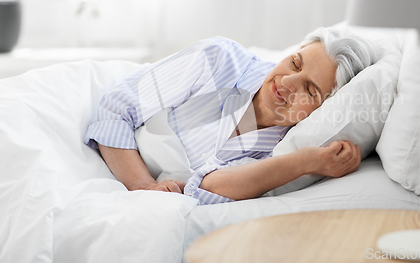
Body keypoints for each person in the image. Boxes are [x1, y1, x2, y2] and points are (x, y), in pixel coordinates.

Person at [84, 27, 381, 205]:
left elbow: (208, 188)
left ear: (325, 107)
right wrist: (144, 187)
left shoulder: (284, 146)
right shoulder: (218, 59)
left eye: (310, 90)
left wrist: (307, 161)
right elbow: (116, 111)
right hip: (102, 164)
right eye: (295, 62)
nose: (287, 82)